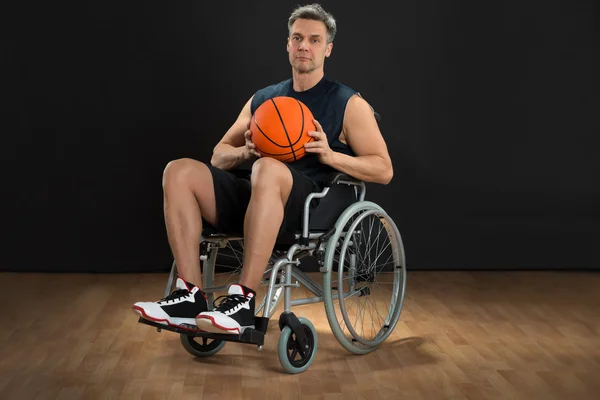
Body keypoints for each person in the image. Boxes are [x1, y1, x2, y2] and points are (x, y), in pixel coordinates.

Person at [132, 3, 393, 335]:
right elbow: (218, 156)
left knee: (268, 169)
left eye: (314, 40)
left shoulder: (348, 103)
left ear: (328, 48)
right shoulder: (264, 100)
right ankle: (189, 295)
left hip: (310, 205)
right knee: (178, 171)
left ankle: (243, 300)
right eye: (297, 38)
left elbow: (383, 169)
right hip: (256, 193)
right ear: (287, 44)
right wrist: (244, 151)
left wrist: (329, 155)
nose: (303, 46)